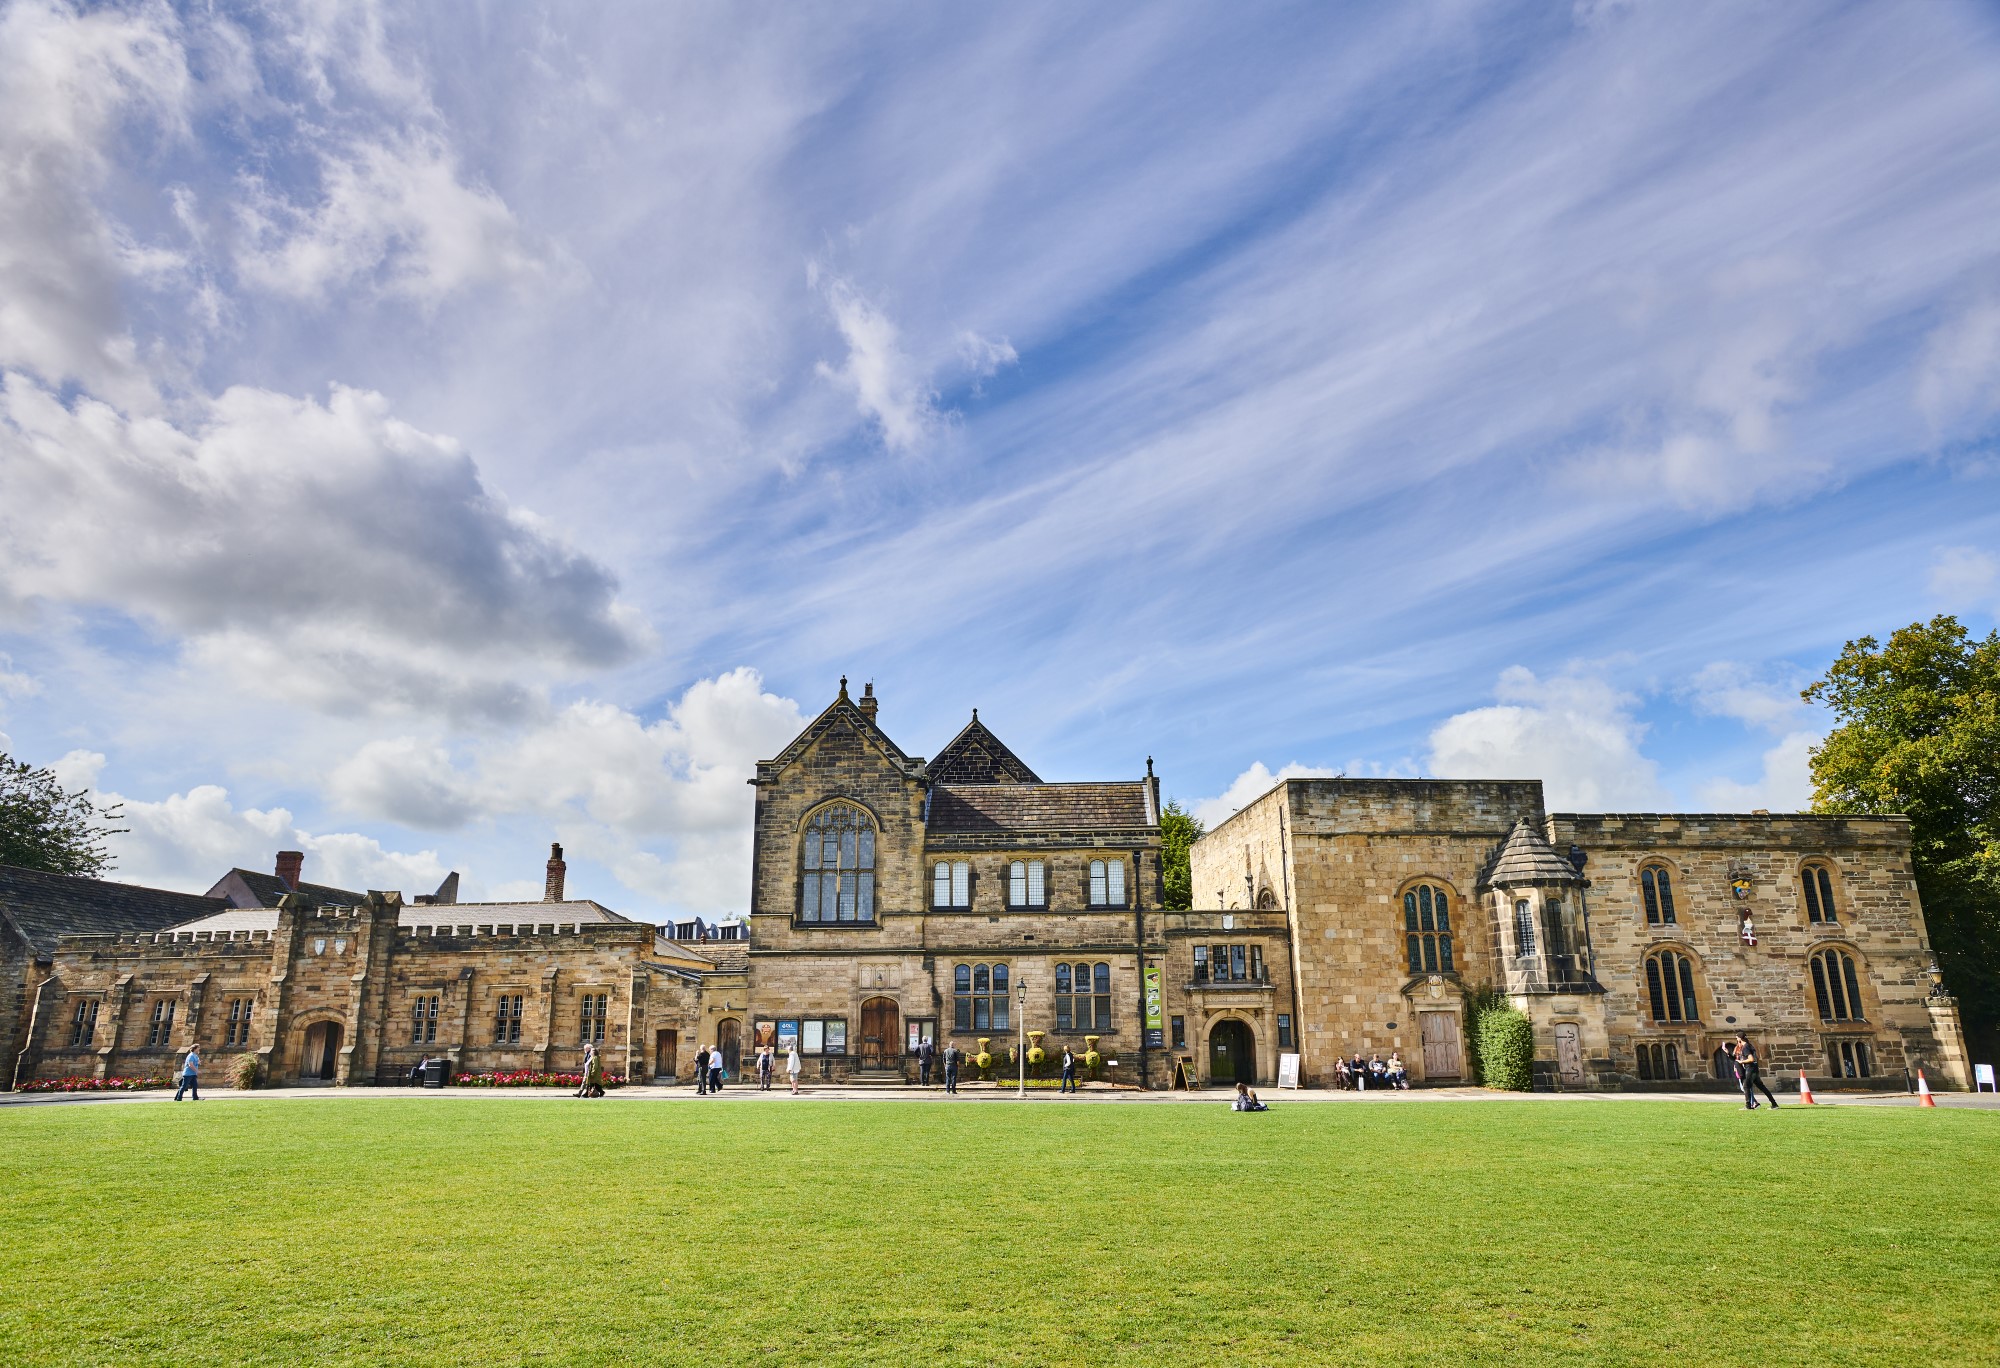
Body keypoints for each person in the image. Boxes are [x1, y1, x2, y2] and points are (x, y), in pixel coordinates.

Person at [1734, 1034, 1779, 1109]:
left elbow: (1751, 1059)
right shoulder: (1749, 1045)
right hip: (1754, 1069)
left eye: (1737, 1037)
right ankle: (1774, 1104)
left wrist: (1741, 1062)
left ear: (1740, 1038)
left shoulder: (1745, 1047)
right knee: (1762, 1087)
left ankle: (1748, 1106)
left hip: (1750, 1069)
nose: (1736, 1039)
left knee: (1746, 1086)